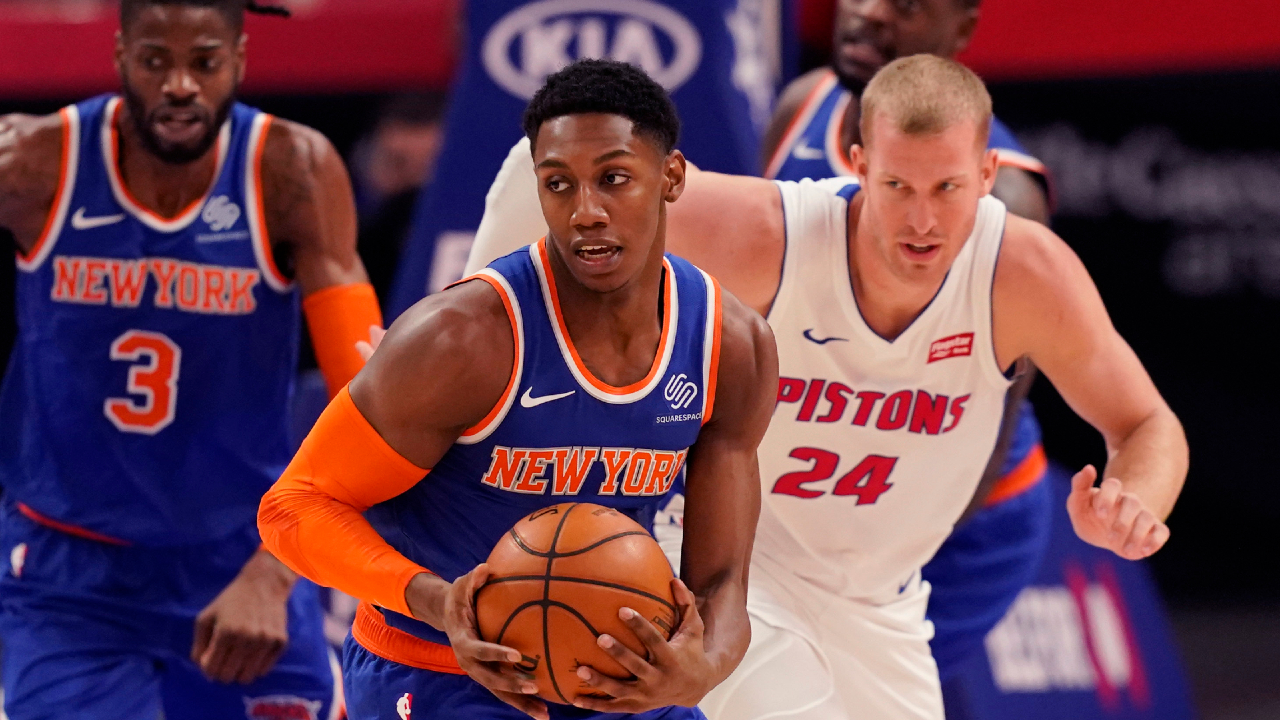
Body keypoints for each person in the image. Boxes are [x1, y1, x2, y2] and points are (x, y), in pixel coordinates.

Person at [463, 55, 1188, 719]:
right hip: (734, 569)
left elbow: (1147, 423)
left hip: (882, 602)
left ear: (989, 174)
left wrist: (1134, 501)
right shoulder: (769, 236)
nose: (922, 220)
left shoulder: (1027, 275)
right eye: (897, 186)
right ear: (856, 162)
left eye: (948, 188)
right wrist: (450, 321)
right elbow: (535, 171)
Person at [258, 59, 779, 720]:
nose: (586, 211)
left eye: (613, 179)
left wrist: (697, 672)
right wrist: (436, 601)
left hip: (612, 674)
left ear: (670, 177)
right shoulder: (464, 338)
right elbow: (293, 507)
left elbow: (722, 582)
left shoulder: (731, 347)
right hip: (435, 666)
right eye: (559, 184)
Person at [0, 1, 382, 718]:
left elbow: (368, 405)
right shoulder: (32, 162)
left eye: (203, 61)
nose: (180, 84)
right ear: (120, 57)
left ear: (239, 60)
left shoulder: (289, 170)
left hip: (241, 554)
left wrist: (274, 576)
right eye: (155, 61)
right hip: (68, 572)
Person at [762, 0, 1055, 679]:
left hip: (958, 517)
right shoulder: (802, 108)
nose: (868, 14)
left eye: (907, 5)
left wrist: (880, 550)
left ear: (961, 31)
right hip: (818, 487)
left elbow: (985, 431)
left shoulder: (1006, 196)